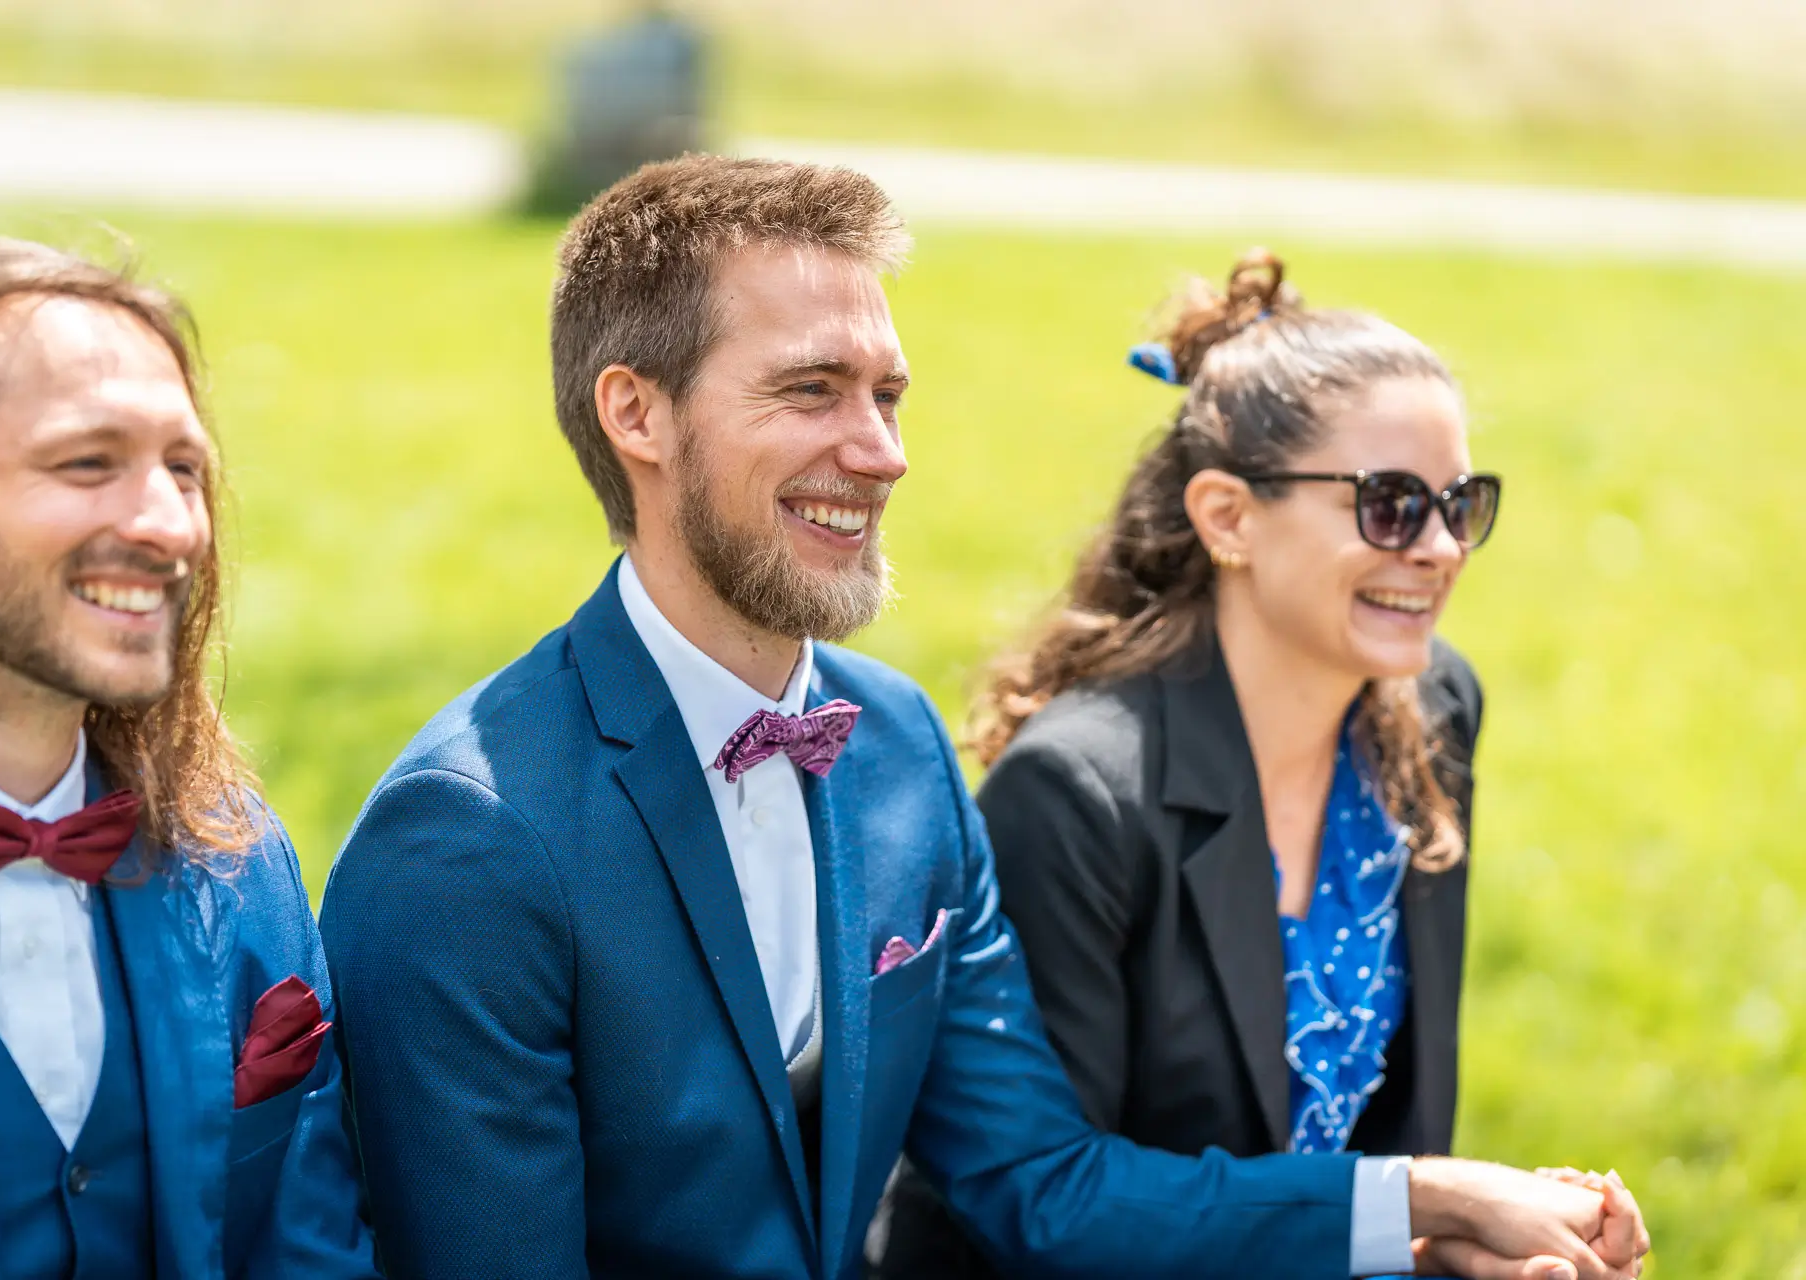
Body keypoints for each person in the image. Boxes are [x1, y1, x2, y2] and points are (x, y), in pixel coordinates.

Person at [319, 158, 1647, 1280]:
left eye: (887, 395)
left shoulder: (894, 747)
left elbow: (1041, 1184)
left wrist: (1423, 1207)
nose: (883, 450)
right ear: (637, 415)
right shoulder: (470, 845)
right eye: (811, 390)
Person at [874, 250, 1593, 1277]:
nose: (1439, 546)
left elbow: (1382, 1130)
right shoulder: (1078, 792)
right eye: (1391, 502)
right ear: (1228, 516)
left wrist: (1441, 1249)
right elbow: (1053, 1206)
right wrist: (1424, 1195)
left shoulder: (1433, 711)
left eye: (1460, 502)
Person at [0, 239, 376, 1279]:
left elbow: (306, 1249)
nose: (166, 524)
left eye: (183, 469)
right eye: (86, 462)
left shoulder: (239, 860)